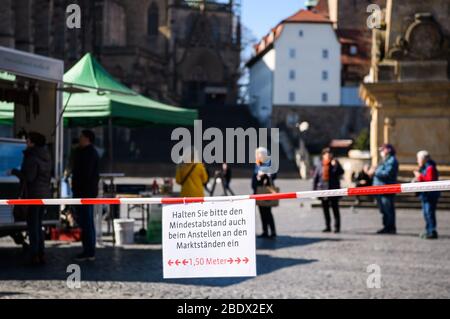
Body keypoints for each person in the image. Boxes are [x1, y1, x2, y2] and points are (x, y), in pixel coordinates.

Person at [12, 132, 51, 265]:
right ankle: (41, 253)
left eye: (27, 141)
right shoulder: (45, 156)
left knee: (33, 226)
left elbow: (29, 177)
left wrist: (14, 172)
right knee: (38, 225)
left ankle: (35, 254)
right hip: (44, 194)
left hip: (33, 195)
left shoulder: (32, 157)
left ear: (32, 143)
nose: (26, 143)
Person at [72, 130, 100, 261]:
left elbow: (85, 175)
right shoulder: (87, 152)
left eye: (81, 137)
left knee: (87, 222)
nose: (79, 139)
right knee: (86, 222)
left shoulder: (88, 153)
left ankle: (89, 251)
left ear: (87, 139)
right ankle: (88, 250)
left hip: (85, 193)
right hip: (84, 192)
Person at [368, 144, 399, 234]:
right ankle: (386, 226)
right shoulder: (384, 160)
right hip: (380, 189)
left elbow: (387, 173)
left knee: (388, 209)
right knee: (384, 210)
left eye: (382, 150)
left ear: (388, 150)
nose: (381, 152)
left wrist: (375, 171)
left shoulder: (392, 160)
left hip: (386, 189)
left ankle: (390, 227)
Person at [313, 148, 344, 233]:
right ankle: (327, 226)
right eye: (326, 154)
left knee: (335, 209)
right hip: (323, 190)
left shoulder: (334, 163)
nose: (328, 155)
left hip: (333, 189)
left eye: (329, 154)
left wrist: (335, 165)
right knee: (325, 209)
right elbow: (316, 178)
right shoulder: (320, 164)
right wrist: (314, 190)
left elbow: (341, 172)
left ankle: (337, 227)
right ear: (323, 155)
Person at [413, 150, 440, 239]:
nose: (417, 161)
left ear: (423, 159)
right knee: (426, 213)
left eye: (418, 159)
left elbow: (429, 181)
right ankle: (428, 230)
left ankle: (432, 231)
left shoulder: (430, 167)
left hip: (430, 195)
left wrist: (419, 176)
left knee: (429, 213)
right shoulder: (425, 167)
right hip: (425, 195)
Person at [252, 147, 277, 239]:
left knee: (268, 212)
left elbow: (274, 175)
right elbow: (254, 179)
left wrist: (265, 173)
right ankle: (265, 231)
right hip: (258, 191)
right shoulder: (257, 164)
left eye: (258, 154)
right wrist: (258, 177)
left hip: (267, 191)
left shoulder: (269, 163)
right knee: (262, 212)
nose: (256, 156)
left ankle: (273, 231)